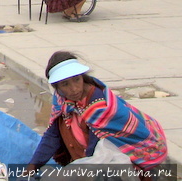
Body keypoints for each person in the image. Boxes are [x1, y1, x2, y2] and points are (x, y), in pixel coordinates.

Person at [27, 51, 167, 173]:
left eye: (77, 80)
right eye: (65, 84)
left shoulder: (98, 105)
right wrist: (33, 166)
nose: (74, 89)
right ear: (57, 87)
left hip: (129, 155)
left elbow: (95, 150)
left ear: (83, 78)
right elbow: (53, 134)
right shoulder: (60, 99)